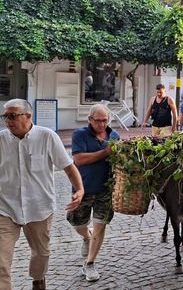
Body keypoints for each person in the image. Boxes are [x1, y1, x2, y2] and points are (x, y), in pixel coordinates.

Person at [0, 99, 85, 290]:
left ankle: (38, 279)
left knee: (41, 252)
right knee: (0, 261)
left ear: (28, 116)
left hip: (39, 208)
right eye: (5, 116)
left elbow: (68, 166)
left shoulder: (47, 136)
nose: (7, 120)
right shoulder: (1, 140)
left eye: (12, 116)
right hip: (5, 208)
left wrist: (80, 189)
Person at [68, 104, 120, 282]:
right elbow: (79, 160)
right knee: (76, 222)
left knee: (101, 223)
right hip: (83, 189)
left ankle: (90, 264)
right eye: (98, 121)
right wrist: (105, 152)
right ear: (90, 119)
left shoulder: (114, 136)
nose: (102, 124)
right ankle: (86, 236)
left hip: (105, 189)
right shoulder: (80, 134)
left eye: (105, 120)